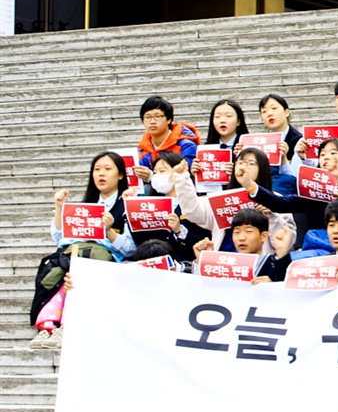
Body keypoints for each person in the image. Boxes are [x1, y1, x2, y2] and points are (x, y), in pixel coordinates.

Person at [30, 152, 138, 348]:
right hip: (73, 258)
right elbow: (60, 238)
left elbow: (131, 248)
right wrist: (59, 208)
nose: (101, 174)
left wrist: (109, 232)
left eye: (107, 169)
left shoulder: (127, 205)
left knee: (84, 258)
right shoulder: (84, 206)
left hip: (107, 262)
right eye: (97, 170)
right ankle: (49, 325)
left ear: (121, 175)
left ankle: (62, 323)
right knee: (58, 266)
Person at [171, 153, 296, 255]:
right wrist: (183, 180)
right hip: (224, 261)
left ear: (262, 169)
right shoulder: (222, 199)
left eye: (251, 164)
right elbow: (193, 212)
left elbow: (287, 240)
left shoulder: (276, 199)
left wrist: (272, 216)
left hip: (260, 266)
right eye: (240, 163)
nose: (244, 167)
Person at [128, 150, 213, 262]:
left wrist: (179, 231)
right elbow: (139, 240)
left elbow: (205, 239)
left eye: (162, 171)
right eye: (155, 172)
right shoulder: (150, 205)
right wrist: (131, 210)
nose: (157, 176)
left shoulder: (194, 203)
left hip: (186, 263)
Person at [191, 208, 293, 284]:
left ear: (263, 236)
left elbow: (287, 288)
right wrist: (202, 261)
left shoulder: (275, 263)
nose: (241, 238)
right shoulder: (224, 264)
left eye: (248, 231)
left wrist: (272, 285)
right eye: (237, 232)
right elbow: (202, 288)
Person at [135, 96, 199, 185]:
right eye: (148, 117)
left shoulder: (186, 145)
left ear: (169, 119)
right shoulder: (142, 149)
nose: (152, 121)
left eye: (157, 116)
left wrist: (151, 177)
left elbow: (184, 174)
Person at [257, 94, 303, 167]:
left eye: (274, 108)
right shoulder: (260, 143)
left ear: (286, 112)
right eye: (264, 111)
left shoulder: (299, 141)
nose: (269, 114)